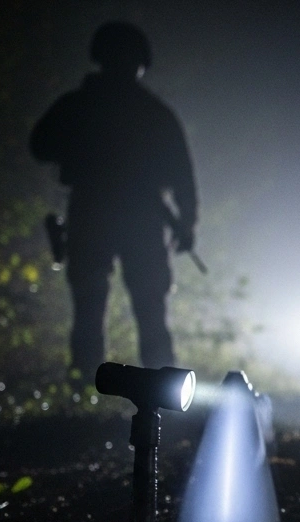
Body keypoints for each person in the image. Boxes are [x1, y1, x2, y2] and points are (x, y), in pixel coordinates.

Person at [30, 21, 198, 381]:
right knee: (144, 303)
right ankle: (158, 381)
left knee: (97, 300)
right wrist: (186, 222)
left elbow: (41, 145)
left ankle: (90, 380)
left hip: (97, 208)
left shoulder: (79, 105)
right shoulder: (153, 112)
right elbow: (181, 173)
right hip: (136, 214)